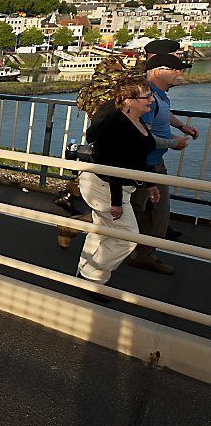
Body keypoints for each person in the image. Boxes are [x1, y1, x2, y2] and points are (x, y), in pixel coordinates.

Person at [76, 75, 160, 298]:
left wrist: (150, 183)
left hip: (112, 185)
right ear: (129, 100)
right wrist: (115, 202)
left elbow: (137, 156)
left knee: (101, 231)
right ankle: (90, 276)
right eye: (147, 96)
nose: (151, 100)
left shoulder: (134, 119)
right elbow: (111, 164)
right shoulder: (116, 123)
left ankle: (89, 277)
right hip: (103, 185)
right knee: (127, 236)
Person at [123, 53, 198, 274]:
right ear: (157, 72)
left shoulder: (160, 95)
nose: (180, 73)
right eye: (175, 69)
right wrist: (174, 143)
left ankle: (143, 254)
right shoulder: (145, 97)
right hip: (142, 164)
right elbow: (140, 136)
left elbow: (164, 114)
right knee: (135, 210)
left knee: (151, 211)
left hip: (153, 162)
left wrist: (181, 126)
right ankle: (78, 226)